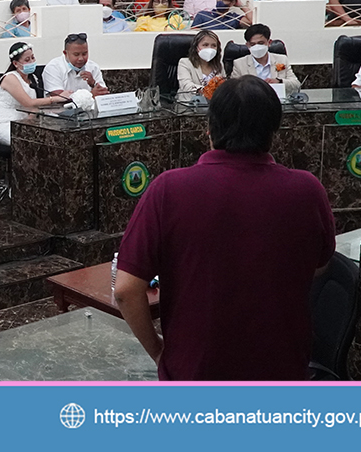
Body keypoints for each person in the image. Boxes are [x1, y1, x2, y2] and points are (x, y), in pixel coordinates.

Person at [114, 76, 335, 380]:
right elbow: (319, 267)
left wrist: (158, 351)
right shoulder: (308, 190)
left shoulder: (169, 189)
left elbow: (126, 290)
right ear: (274, 131)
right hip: (281, 368)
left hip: (194, 370)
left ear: (210, 129)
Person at [0, 42, 69, 147]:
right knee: (26, 143)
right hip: (5, 123)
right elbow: (28, 102)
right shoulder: (10, 78)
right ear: (16, 63)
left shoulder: (33, 78)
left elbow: (34, 107)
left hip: (24, 122)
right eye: (27, 60)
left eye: (33, 58)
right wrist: (56, 98)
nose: (32, 62)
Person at [232, 24, 301, 93]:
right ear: (248, 45)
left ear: (269, 42)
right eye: (253, 44)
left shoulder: (281, 60)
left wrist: (279, 81)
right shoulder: (239, 64)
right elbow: (234, 89)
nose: (257, 47)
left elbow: (296, 84)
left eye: (261, 43)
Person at [42, 33, 108, 96]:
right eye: (76, 54)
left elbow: (104, 95)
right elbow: (59, 97)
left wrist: (93, 83)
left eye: (84, 54)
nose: (81, 58)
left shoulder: (93, 67)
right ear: (65, 53)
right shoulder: (53, 68)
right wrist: (90, 95)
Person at [177, 30, 225, 94]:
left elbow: (224, 85)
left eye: (213, 45)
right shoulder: (185, 63)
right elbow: (186, 86)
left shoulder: (219, 65)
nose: (209, 49)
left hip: (215, 102)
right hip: (190, 102)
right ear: (196, 47)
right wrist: (207, 91)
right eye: (205, 45)